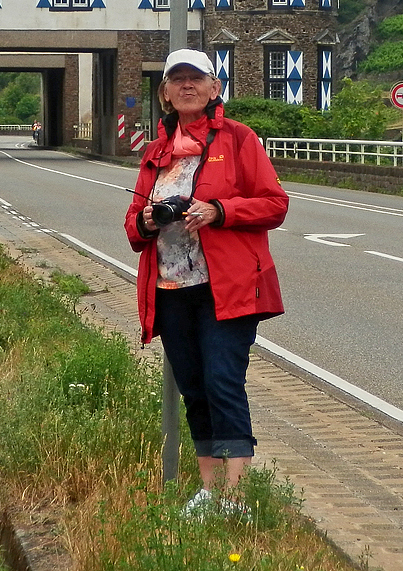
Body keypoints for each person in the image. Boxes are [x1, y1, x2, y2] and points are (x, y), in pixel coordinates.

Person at [124, 48, 288, 513]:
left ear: (215, 89)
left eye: (196, 79)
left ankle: (235, 495)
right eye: (177, 80)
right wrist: (150, 223)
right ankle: (208, 490)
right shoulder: (155, 153)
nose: (186, 86)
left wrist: (220, 211)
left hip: (229, 289)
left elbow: (275, 205)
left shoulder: (238, 139)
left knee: (222, 382)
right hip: (172, 291)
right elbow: (133, 224)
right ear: (165, 94)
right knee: (194, 388)